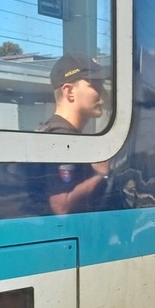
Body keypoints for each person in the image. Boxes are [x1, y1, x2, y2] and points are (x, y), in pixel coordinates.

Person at [36, 53, 113, 215]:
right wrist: (101, 174)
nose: (103, 95)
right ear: (69, 91)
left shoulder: (54, 132)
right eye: (95, 85)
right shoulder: (61, 138)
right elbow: (61, 206)